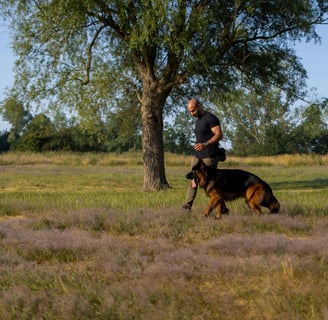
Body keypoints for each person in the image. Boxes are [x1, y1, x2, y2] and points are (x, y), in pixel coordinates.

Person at [182, 98, 224, 210]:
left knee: (210, 184)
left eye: (193, 110)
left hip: (209, 157)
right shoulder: (198, 120)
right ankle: (187, 205)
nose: (192, 113)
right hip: (198, 156)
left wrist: (205, 144)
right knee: (193, 180)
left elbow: (219, 135)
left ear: (200, 106)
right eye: (190, 111)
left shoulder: (210, 118)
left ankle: (222, 208)